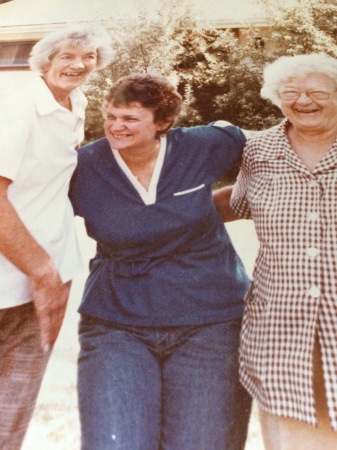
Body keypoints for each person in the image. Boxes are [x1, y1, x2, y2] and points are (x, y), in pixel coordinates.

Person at [69, 73, 252, 450]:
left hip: (210, 321)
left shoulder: (202, 146)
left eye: (131, 118)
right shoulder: (83, 165)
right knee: (115, 443)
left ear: (163, 122)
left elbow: (280, 147)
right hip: (118, 322)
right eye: (111, 116)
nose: (117, 126)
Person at [214, 53, 337, 450]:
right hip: (280, 323)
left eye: (318, 92)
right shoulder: (259, 150)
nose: (304, 101)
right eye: (290, 92)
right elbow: (238, 202)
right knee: (291, 436)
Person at [0, 24, 114, 449]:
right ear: (45, 60)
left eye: (88, 57)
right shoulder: (17, 106)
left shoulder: (75, 103)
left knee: (13, 412)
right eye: (67, 55)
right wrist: (43, 272)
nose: (79, 64)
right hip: (20, 278)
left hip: (44, 283)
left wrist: (53, 274)